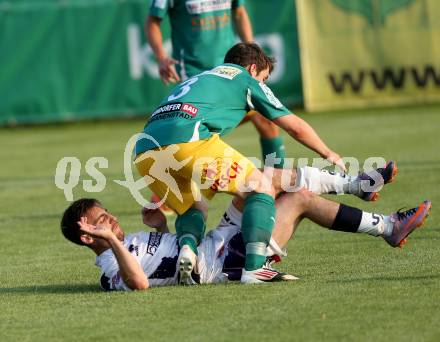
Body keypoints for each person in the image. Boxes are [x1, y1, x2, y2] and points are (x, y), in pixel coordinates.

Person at [134, 42, 350, 284]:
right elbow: (295, 126)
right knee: (261, 186)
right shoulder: (245, 80)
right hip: (188, 139)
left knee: (193, 208)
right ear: (253, 68)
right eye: (264, 78)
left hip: (144, 151)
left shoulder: (203, 77)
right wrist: (328, 152)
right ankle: (255, 268)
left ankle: (188, 249)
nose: (263, 84)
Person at [59, 167, 432, 290]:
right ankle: (387, 227)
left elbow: (164, 254)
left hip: (215, 241)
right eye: (101, 221)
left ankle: (358, 184)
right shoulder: (109, 271)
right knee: (298, 198)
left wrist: (159, 225)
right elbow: (138, 283)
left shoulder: (131, 242)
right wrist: (113, 242)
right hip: (226, 260)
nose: (111, 219)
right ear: (88, 237)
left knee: (259, 178)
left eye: (107, 213)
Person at [146, 0, 286, 172]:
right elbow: (153, 22)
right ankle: (167, 186)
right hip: (193, 71)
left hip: (230, 67)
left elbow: (239, 12)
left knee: (264, 117)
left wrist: (253, 53)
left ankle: (278, 182)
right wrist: (161, 57)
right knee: (196, 131)